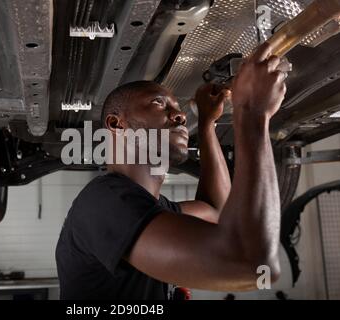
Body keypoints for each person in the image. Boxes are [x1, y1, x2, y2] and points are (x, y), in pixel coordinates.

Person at [55, 42, 287, 299]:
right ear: (116, 124)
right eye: (158, 103)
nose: (180, 115)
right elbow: (254, 266)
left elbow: (215, 211)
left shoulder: (151, 207)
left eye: (177, 107)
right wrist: (251, 112)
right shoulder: (104, 202)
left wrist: (208, 124)